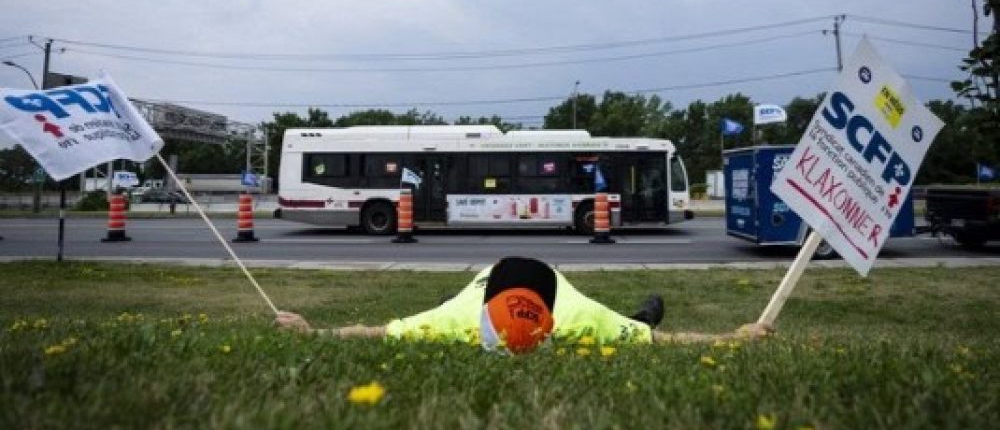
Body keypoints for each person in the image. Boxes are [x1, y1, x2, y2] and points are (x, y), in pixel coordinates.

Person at [275, 256, 772, 354]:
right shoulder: (456, 318)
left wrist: (734, 338)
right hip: (486, 284)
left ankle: (638, 315)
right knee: (632, 329)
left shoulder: (576, 315)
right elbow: (377, 331)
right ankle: (638, 316)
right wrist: (312, 332)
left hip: (547, 283)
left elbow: (377, 331)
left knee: (631, 328)